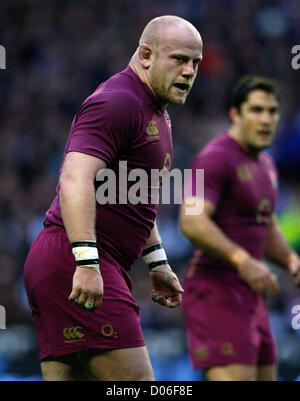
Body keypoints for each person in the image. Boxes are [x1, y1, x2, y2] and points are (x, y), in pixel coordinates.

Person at [24, 15, 203, 381]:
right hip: (75, 260)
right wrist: (87, 263)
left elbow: (134, 195)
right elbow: (75, 178)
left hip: (70, 263)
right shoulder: (118, 101)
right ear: (146, 54)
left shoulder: (157, 113)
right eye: (180, 59)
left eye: (195, 63)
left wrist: (157, 262)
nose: (189, 72)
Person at [179, 76, 300, 381]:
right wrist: (243, 260)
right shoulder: (213, 159)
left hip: (252, 294)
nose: (266, 119)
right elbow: (192, 219)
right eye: (256, 110)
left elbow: (266, 224)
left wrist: (290, 261)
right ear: (235, 114)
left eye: (273, 111)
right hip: (216, 290)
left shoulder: (267, 166)